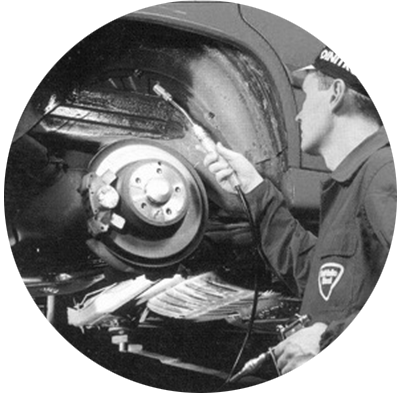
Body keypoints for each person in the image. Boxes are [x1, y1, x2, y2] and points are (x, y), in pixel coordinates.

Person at [204, 38, 397, 392]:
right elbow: (324, 282)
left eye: (307, 97)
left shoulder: (386, 174)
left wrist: (329, 348)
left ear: (336, 93)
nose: (298, 114)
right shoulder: (353, 185)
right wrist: (254, 189)